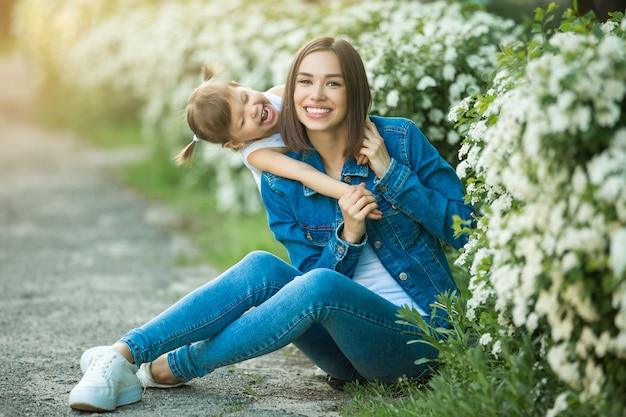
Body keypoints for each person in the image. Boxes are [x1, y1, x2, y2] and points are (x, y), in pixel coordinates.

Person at [68, 37, 474, 412]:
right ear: (291, 89)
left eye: (333, 83)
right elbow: (310, 284)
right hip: (341, 353)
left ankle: (172, 367)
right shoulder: (282, 177)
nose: (316, 95)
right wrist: (349, 236)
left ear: (355, 89)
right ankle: (121, 355)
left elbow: (465, 231)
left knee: (319, 285)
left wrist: (392, 177)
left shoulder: (399, 140)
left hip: (418, 340)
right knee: (263, 266)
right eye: (305, 82)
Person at [177, 65, 361, 201]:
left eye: (245, 98)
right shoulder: (257, 153)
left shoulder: (280, 94)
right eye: (242, 120)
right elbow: (302, 172)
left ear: (240, 85)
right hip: (295, 198)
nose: (253, 110)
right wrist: (348, 193)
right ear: (236, 142)